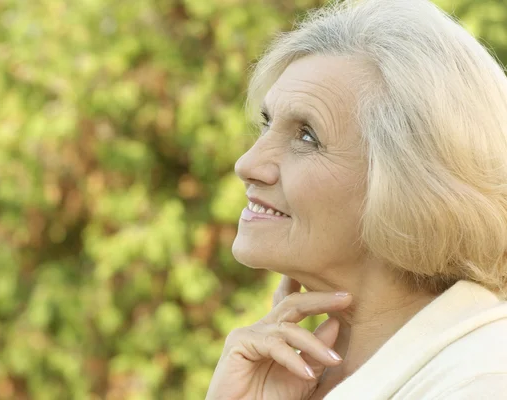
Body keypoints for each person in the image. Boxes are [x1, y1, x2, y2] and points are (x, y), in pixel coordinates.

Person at [205, 0, 507, 398]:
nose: (247, 164)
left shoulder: (479, 381)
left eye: (306, 136)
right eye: (266, 124)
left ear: (411, 183)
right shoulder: (290, 376)